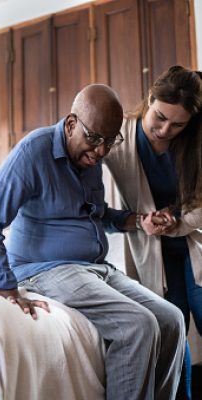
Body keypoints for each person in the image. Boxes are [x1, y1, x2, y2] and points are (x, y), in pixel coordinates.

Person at [0, 83, 185, 400]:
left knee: (171, 320)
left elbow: (97, 215)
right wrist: (5, 287)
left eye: (109, 142)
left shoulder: (90, 162)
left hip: (95, 267)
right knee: (137, 326)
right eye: (94, 139)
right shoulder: (33, 153)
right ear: (71, 124)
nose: (100, 151)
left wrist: (137, 220)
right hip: (46, 269)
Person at [104, 65, 202, 400]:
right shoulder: (117, 141)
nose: (164, 130)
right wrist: (137, 220)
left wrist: (177, 221)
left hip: (191, 243)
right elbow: (96, 206)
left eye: (178, 124)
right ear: (150, 98)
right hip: (151, 250)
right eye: (159, 117)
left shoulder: (194, 143)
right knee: (173, 332)